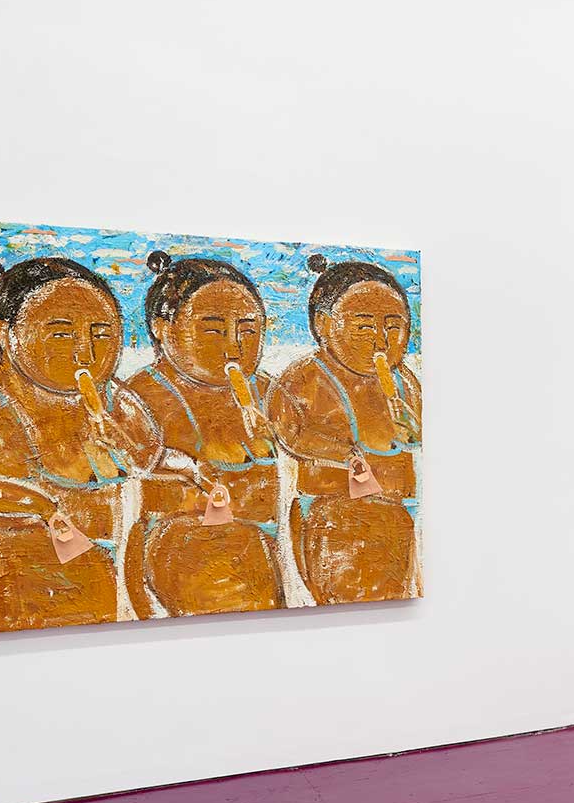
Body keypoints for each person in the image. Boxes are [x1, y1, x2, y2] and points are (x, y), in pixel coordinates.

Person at [0, 257, 161, 634]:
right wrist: (42, 506)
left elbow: (146, 457)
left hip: (103, 568)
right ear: (6, 333)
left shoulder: (116, 401)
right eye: (62, 335)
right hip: (11, 577)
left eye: (102, 334)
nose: (86, 354)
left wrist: (124, 444)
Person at [122, 251, 284, 617]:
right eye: (213, 331)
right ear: (162, 327)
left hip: (265, 549)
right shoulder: (140, 396)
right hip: (186, 552)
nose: (235, 348)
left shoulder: (269, 392)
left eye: (248, 331)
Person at [268, 255, 422, 605]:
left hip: (400, 507)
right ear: (323, 324)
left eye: (394, 326)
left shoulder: (405, 380)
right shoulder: (305, 378)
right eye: (364, 327)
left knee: (395, 593)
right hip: (333, 513)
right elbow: (288, 431)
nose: (381, 341)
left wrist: (414, 429)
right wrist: (341, 451)